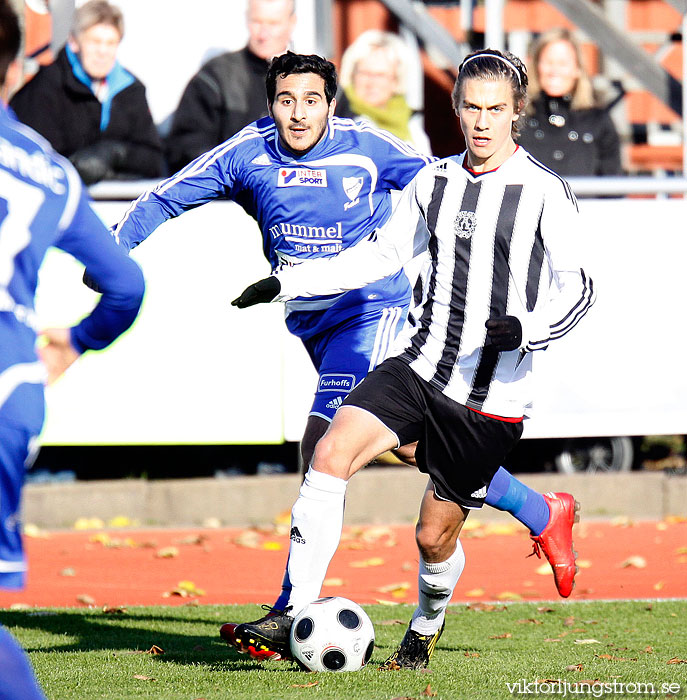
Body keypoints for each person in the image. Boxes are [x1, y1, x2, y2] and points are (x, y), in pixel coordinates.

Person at [99, 50, 580, 656]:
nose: (297, 115)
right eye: (284, 100)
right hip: (342, 330)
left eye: (311, 101)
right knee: (380, 451)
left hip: (382, 318)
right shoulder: (257, 154)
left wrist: (522, 325)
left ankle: (315, 612)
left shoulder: (410, 159)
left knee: (352, 466)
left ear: (332, 103)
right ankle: (540, 510)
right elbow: (174, 196)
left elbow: (567, 279)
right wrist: (279, 281)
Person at [229, 48, 595, 669]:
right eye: (471, 108)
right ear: (455, 109)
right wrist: (290, 282)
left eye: (495, 110)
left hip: (488, 399)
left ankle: (424, 629)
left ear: (516, 115)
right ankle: (292, 610)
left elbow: (578, 288)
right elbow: (379, 255)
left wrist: (527, 330)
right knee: (330, 449)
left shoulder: (543, 193)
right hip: (417, 366)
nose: (482, 122)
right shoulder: (434, 181)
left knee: (432, 536)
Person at [0, 2, 145, 696]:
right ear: (16, 67)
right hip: (12, 390)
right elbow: (125, 285)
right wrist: (76, 343)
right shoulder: (48, 171)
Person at [9, 0, 165, 184]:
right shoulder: (43, 90)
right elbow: (36, 162)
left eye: (111, 43)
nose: (103, 51)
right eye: (95, 42)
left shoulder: (131, 90)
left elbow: (155, 161)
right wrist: (80, 169)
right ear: (74, 42)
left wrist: (115, 154)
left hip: (123, 203)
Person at [165, 0, 297, 173]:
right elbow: (185, 148)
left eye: (273, 24)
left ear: (292, 23)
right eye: (257, 22)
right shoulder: (214, 78)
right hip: (230, 196)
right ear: (246, 19)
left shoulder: (317, 80)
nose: (263, 34)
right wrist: (236, 173)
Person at [517, 28, 621, 176]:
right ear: (536, 66)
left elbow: (613, 184)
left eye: (563, 63)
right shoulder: (519, 119)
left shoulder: (597, 121)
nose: (554, 70)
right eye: (548, 62)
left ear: (577, 69)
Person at [338, 29, 432, 155]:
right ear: (352, 75)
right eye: (365, 73)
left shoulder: (410, 125)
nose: (371, 83)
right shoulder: (342, 123)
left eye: (380, 75)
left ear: (396, 80)